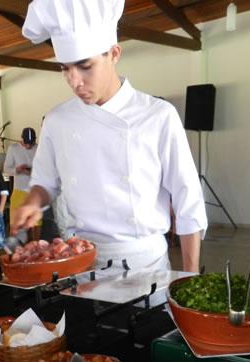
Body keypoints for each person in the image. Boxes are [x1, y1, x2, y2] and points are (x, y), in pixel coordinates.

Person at [12, 0, 207, 273]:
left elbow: (188, 201)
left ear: (114, 54)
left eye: (84, 66)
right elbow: (45, 182)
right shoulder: (57, 120)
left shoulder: (158, 115)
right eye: (65, 68)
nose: (74, 81)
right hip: (79, 260)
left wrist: (190, 275)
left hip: (145, 265)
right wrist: (33, 202)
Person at [4, 126, 39, 240]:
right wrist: (17, 170)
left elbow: (45, 168)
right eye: (26, 143)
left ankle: (35, 249)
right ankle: (15, 252)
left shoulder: (38, 148)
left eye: (31, 143)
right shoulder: (13, 148)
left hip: (34, 191)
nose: (28, 146)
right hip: (19, 190)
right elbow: (6, 169)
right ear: (21, 139)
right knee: (16, 223)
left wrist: (33, 171)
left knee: (36, 224)